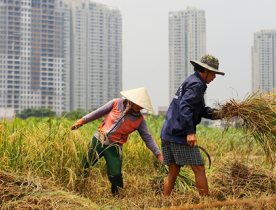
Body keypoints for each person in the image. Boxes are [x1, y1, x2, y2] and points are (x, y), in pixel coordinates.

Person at [160, 54, 237, 196]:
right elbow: (186, 107)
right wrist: (190, 132)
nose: (214, 77)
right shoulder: (197, 84)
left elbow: (201, 110)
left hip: (168, 133)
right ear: (205, 71)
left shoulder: (192, 81)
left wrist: (223, 113)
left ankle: (165, 202)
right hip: (179, 134)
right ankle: (206, 204)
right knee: (199, 169)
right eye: (213, 73)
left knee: (173, 171)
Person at [71, 87, 163, 196]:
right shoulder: (115, 103)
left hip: (115, 146)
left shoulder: (139, 120)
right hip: (98, 140)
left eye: (142, 106)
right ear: (132, 101)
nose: (140, 108)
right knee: (84, 166)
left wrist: (159, 155)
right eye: (139, 105)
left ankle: (117, 195)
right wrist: (81, 122)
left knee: (115, 174)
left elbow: (148, 137)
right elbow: (98, 113)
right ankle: (77, 191)